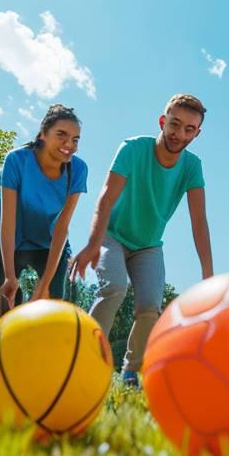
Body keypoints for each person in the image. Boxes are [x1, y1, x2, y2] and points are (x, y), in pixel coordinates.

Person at [70, 94, 214, 387]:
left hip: (148, 246)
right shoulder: (133, 149)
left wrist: (208, 276)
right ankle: (85, 358)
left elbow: (199, 222)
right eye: (175, 124)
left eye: (189, 129)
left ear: (197, 133)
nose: (180, 134)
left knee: (150, 306)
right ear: (163, 121)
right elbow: (106, 198)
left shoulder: (192, 167)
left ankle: (130, 372)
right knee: (115, 286)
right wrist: (94, 242)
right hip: (113, 236)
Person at [0, 104, 87, 314]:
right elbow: (8, 222)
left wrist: (44, 284)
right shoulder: (17, 160)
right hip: (3, 235)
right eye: (61, 135)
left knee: (53, 299)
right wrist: (10, 277)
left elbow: (62, 228)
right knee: (9, 302)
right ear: (43, 135)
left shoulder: (78, 169)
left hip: (46, 241)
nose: (69, 144)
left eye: (75, 139)